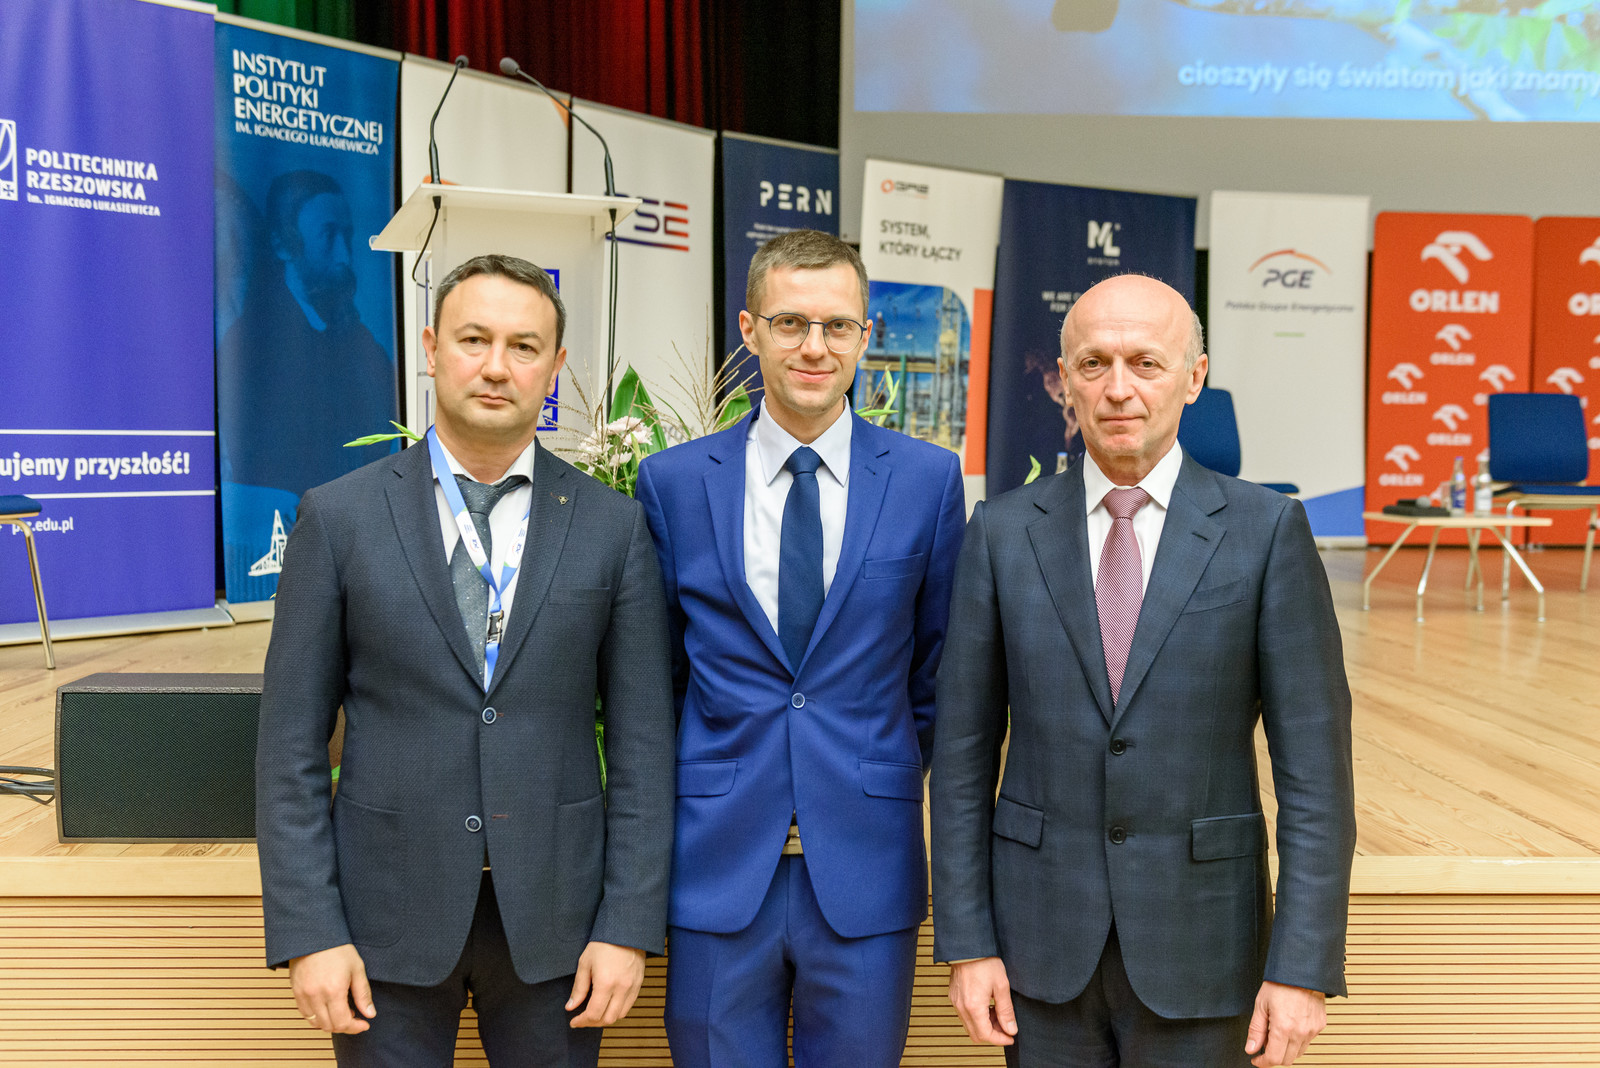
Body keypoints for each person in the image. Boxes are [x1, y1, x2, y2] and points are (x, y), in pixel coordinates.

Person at [256, 253, 675, 1067]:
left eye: (524, 347)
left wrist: (627, 925)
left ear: (555, 366)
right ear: (430, 348)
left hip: (559, 926)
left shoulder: (612, 528)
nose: (495, 366)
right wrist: (310, 932)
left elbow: (643, 749)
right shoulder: (338, 519)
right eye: (474, 339)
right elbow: (289, 748)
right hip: (384, 921)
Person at [931, 273, 1356, 1068]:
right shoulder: (1001, 533)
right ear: (1065, 380)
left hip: (1207, 949)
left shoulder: (1267, 533)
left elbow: (1315, 777)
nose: (1118, 388)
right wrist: (967, 942)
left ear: (1194, 377)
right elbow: (961, 758)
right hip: (1037, 951)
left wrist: (1301, 967)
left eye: (1146, 363)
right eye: (1094, 364)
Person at [635, 229, 967, 1067]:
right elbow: (657, 678)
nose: (814, 347)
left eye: (837, 325)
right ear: (749, 330)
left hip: (866, 866)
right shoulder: (673, 483)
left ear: (865, 334)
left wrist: (868, 767)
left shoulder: (928, 482)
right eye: (790, 323)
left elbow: (936, 671)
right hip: (715, 866)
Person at [218, 169, 397, 497]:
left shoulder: (362, 343)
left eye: (347, 236)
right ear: (283, 245)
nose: (345, 257)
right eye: (328, 236)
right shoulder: (249, 349)